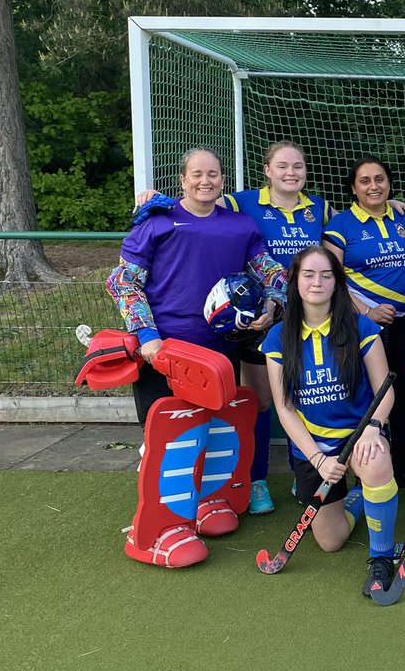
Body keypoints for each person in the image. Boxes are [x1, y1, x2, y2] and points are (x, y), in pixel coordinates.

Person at [105, 147, 286, 567]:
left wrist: (272, 307)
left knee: (218, 431)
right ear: (182, 179)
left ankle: (208, 503)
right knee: (169, 439)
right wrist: (147, 336)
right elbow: (122, 283)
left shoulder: (240, 226)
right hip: (164, 353)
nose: (206, 181)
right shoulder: (156, 223)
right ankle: (156, 530)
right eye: (197, 174)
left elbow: (272, 273)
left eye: (214, 174)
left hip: (219, 353)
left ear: (224, 180)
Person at [260, 245, 401, 597]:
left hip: (359, 435)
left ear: (337, 283)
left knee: (376, 460)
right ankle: (358, 499)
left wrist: (373, 429)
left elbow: (385, 391)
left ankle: (382, 559)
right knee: (330, 541)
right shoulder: (279, 336)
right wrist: (319, 459)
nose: (317, 283)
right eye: (309, 275)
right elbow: (285, 407)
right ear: (295, 281)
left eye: (326, 275)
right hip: (315, 446)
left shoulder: (360, 326)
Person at [218, 142, 332, 516]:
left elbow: (356, 222)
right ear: (267, 170)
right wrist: (157, 200)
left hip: (310, 316)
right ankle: (257, 480)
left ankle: (308, 469)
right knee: (263, 401)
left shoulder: (321, 209)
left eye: (297, 166)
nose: (290, 173)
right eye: (282, 166)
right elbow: (196, 205)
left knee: (309, 394)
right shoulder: (241, 203)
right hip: (260, 318)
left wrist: (396, 206)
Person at [326, 156, 405, 491]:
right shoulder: (340, 227)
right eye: (365, 181)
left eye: (379, 179)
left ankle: (401, 463)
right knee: (367, 393)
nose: (373, 186)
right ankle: (362, 465)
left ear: (389, 184)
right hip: (361, 325)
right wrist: (366, 312)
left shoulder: (403, 218)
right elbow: (333, 281)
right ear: (353, 188)